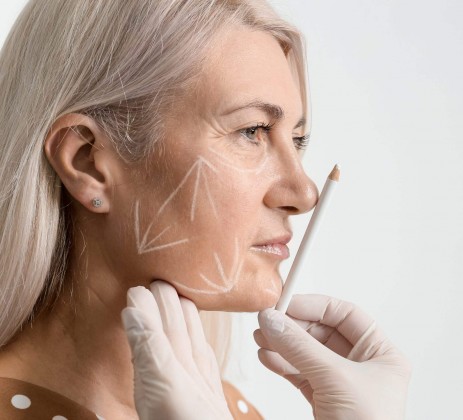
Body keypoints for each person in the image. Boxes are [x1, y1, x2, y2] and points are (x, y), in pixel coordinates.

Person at [0, 0, 411, 419]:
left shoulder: (226, 409)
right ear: (87, 161)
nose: (305, 193)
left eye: (298, 140)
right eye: (252, 131)